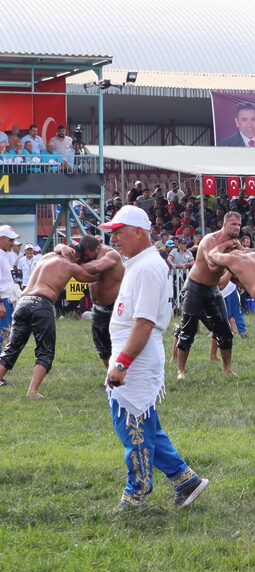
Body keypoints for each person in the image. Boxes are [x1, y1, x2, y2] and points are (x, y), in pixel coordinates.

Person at [99, 205, 209, 510]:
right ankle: (186, 480)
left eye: (118, 232)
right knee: (145, 426)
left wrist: (122, 363)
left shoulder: (147, 267)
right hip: (134, 352)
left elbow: (144, 322)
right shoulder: (139, 264)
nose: (114, 239)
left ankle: (136, 494)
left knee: (132, 426)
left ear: (138, 232)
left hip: (137, 356)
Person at [0, 236, 101, 397]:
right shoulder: (70, 265)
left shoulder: (47, 256)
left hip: (22, 303)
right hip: (41, 304)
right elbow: (91, 276)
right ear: (76, 257)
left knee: (12, 348)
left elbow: (58, 247)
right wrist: (106, 257)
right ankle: (32, 391)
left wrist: (61, 247)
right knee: (45, 351)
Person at [173, 211, 241, 379]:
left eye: (239, 225)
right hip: (194, 287)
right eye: (233, 224)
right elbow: (212, 266)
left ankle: (227, 369)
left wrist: (236, 262)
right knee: (188, 330)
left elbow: (244, 259)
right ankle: (181, 370)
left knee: (225, 330)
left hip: (212, 289)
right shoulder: (210, 240)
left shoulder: (235, 243)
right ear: (224, 225)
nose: (237, 228)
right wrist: (230, 255)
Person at [56, 239, 124, 367]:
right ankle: (111, 377)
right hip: (98, 308)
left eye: (88, 256)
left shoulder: (111, 255)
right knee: (102, 348)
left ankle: (124, 376)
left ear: (98, 248)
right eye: (84, 256)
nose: (86, 259)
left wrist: (72, 267)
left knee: (119, 344)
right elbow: (58, 250)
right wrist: (63, 247)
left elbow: (97, 266)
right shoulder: (87, 256)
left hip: (115, 306)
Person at [0, 226, 18, 344]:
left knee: (7, 334)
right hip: (3, 300)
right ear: (1, 239)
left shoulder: (4, 254)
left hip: (7, 299)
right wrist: (0, 303)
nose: (13, 243)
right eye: (10, 240)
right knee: (4, 334)